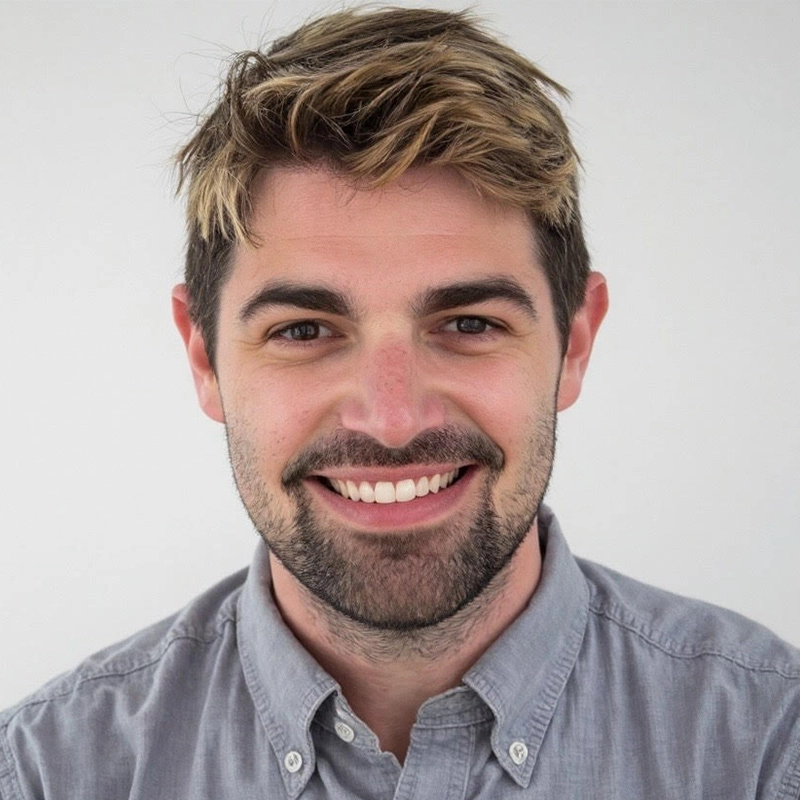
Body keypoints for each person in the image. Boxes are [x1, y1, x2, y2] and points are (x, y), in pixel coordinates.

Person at [1, 6, 798, 798]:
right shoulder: (45, 773)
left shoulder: (768, 746)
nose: (392, 419)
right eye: (306, 329)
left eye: (469, 324)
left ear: (575, 343)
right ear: (204, 357)